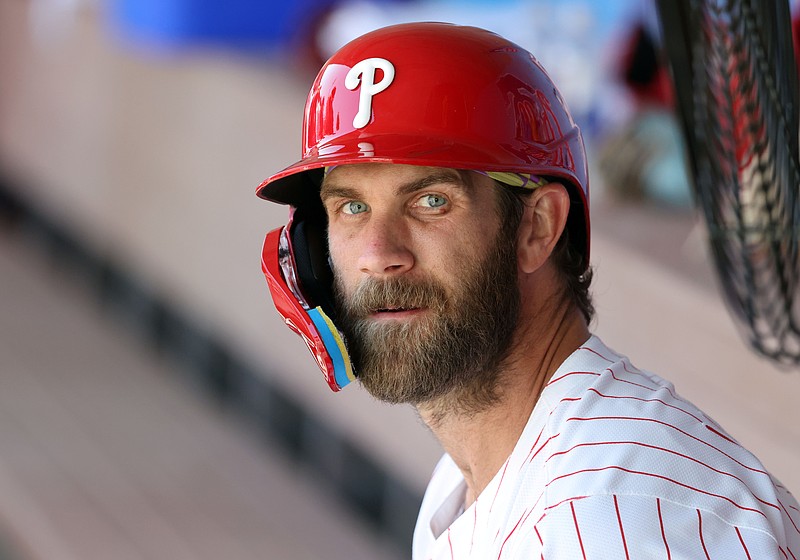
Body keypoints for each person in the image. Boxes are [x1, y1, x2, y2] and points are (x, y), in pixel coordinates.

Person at [255, 22, 800, 559]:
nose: (377, 254)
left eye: (431, 201)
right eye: (352, 207)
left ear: (536, 228)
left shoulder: (609, 521)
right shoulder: (477, 476)